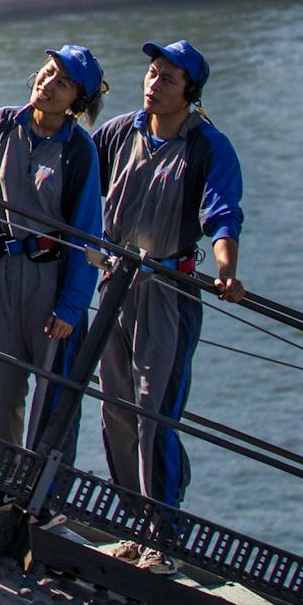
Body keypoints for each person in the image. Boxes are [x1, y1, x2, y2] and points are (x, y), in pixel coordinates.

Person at [92, 39, 244, 573]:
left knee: (156, 410)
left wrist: (225, 270)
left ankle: (166, 533)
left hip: (168, 291)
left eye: (168, 79)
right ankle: (134, 524)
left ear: (191, 93)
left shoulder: (206, 147)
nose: (154, 84)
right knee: (115, 407)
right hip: (113, 285)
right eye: (152, 73)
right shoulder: (119, 133)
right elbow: (78, 180)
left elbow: (223, 213)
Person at [0, 45, 106, 491]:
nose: (48, 84)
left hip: (53, 279)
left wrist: (71, 306)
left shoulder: (79, 150)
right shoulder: (5, 123)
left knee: (53, 395)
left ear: (77, 102)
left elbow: (87, 235)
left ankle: (46, 493)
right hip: (6, 272)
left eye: (62, 82)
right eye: (47, 73)